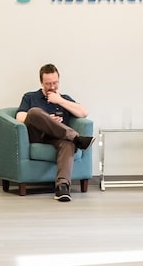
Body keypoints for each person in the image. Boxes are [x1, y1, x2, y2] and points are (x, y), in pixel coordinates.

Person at [17, 63, 93, 202]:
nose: (52, 87)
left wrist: (60, 100)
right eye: (48, 84)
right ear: (41, 82)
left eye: (55, 83)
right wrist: (46, 119)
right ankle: (76, 137)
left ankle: (62, 187)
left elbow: (84, 112)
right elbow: (20, 117)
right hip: (38, 136)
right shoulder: (30, 97)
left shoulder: (64, 99)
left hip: (58, 137)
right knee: (34, 112)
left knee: (68, 144)